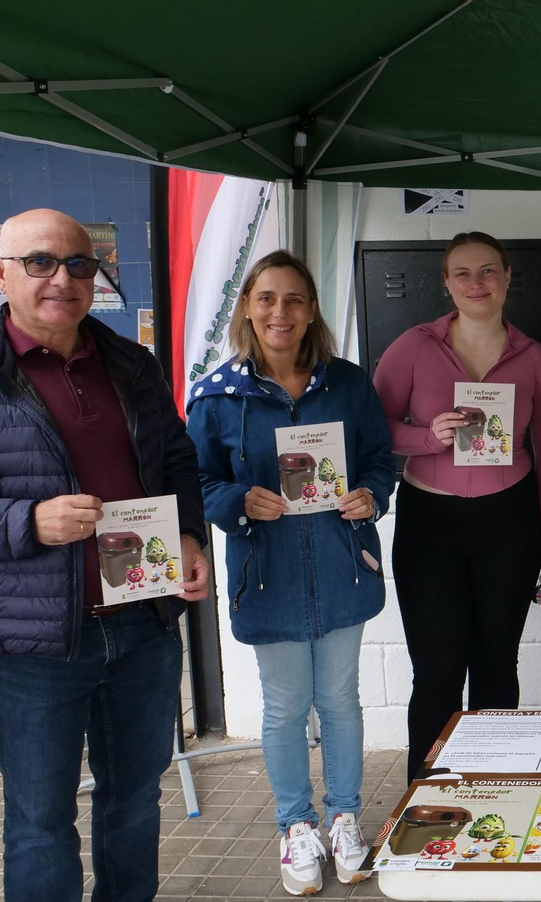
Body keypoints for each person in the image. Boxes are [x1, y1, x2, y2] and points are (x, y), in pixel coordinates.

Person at [0, 208, 210, 902]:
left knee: (134, 804)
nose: (62, 279)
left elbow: (177, 463)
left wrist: (189, 536)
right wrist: (27, 522)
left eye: (80, 264)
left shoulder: (131, 363)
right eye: (39, 262)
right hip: (31, 646)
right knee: (42, 821)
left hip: (142, 622)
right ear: (0, 274)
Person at [187, 250, 394, 893]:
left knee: (338, 700)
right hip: (267, 573)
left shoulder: (350, 384)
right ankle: (295, 824)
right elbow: (192, 480)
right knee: (283, 708)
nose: (282, 312)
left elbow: (382, 461)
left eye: (295, 300)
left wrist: (370, 495)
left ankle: (343, 818)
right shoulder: (217, 395)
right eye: (268, 298)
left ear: (311, 312)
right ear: (249, 306)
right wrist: (235, 502)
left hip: (342, 568)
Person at [373, 232, 541, 776]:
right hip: (431, 523)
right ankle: (424, 802)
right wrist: (428, 438)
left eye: (487, 272)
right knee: (436, 671)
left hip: (510, 520)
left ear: (505, 277)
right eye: (462, 273)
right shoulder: (413, 347)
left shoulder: (534, 358)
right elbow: (373, 432)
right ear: (446, 283)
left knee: (498, 665)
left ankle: (494, 787)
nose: (476, 284)